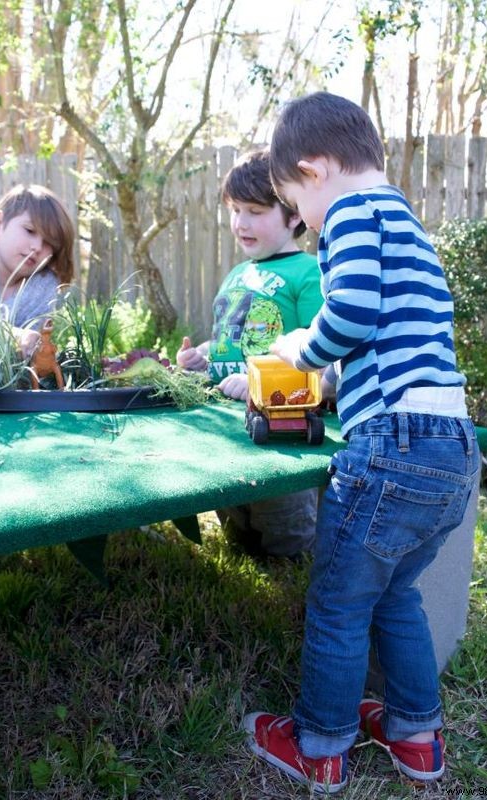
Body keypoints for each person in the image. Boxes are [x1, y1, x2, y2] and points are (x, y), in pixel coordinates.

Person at [243, 92, 480, 794]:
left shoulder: (349, 212)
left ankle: (318, 744)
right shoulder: (405, 219)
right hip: (451, 446)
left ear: (313, 171)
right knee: (394, 594)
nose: (303, 224)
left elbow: (349, 314)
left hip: (392, 446)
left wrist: (301, 351)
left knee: (339, 605)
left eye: (292, 202)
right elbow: (391, 328)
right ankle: (415, 737)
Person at [176, 148, 324, 559]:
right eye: (235, 210)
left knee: (286, 541)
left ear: (293, 215)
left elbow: (323, 354)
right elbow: (233, 340)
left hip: (282, 439)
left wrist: (262, 382)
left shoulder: (309, 273)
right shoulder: (238, 274)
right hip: (228, 430)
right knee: (238, 538)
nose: (241, 223)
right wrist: (203, 355)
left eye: (256, 211)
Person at [0, 184, 75, 358]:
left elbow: (27, 360)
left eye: (49, 243)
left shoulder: (43, 288)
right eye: (30, 230)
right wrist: (17, 336)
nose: (37, 247)